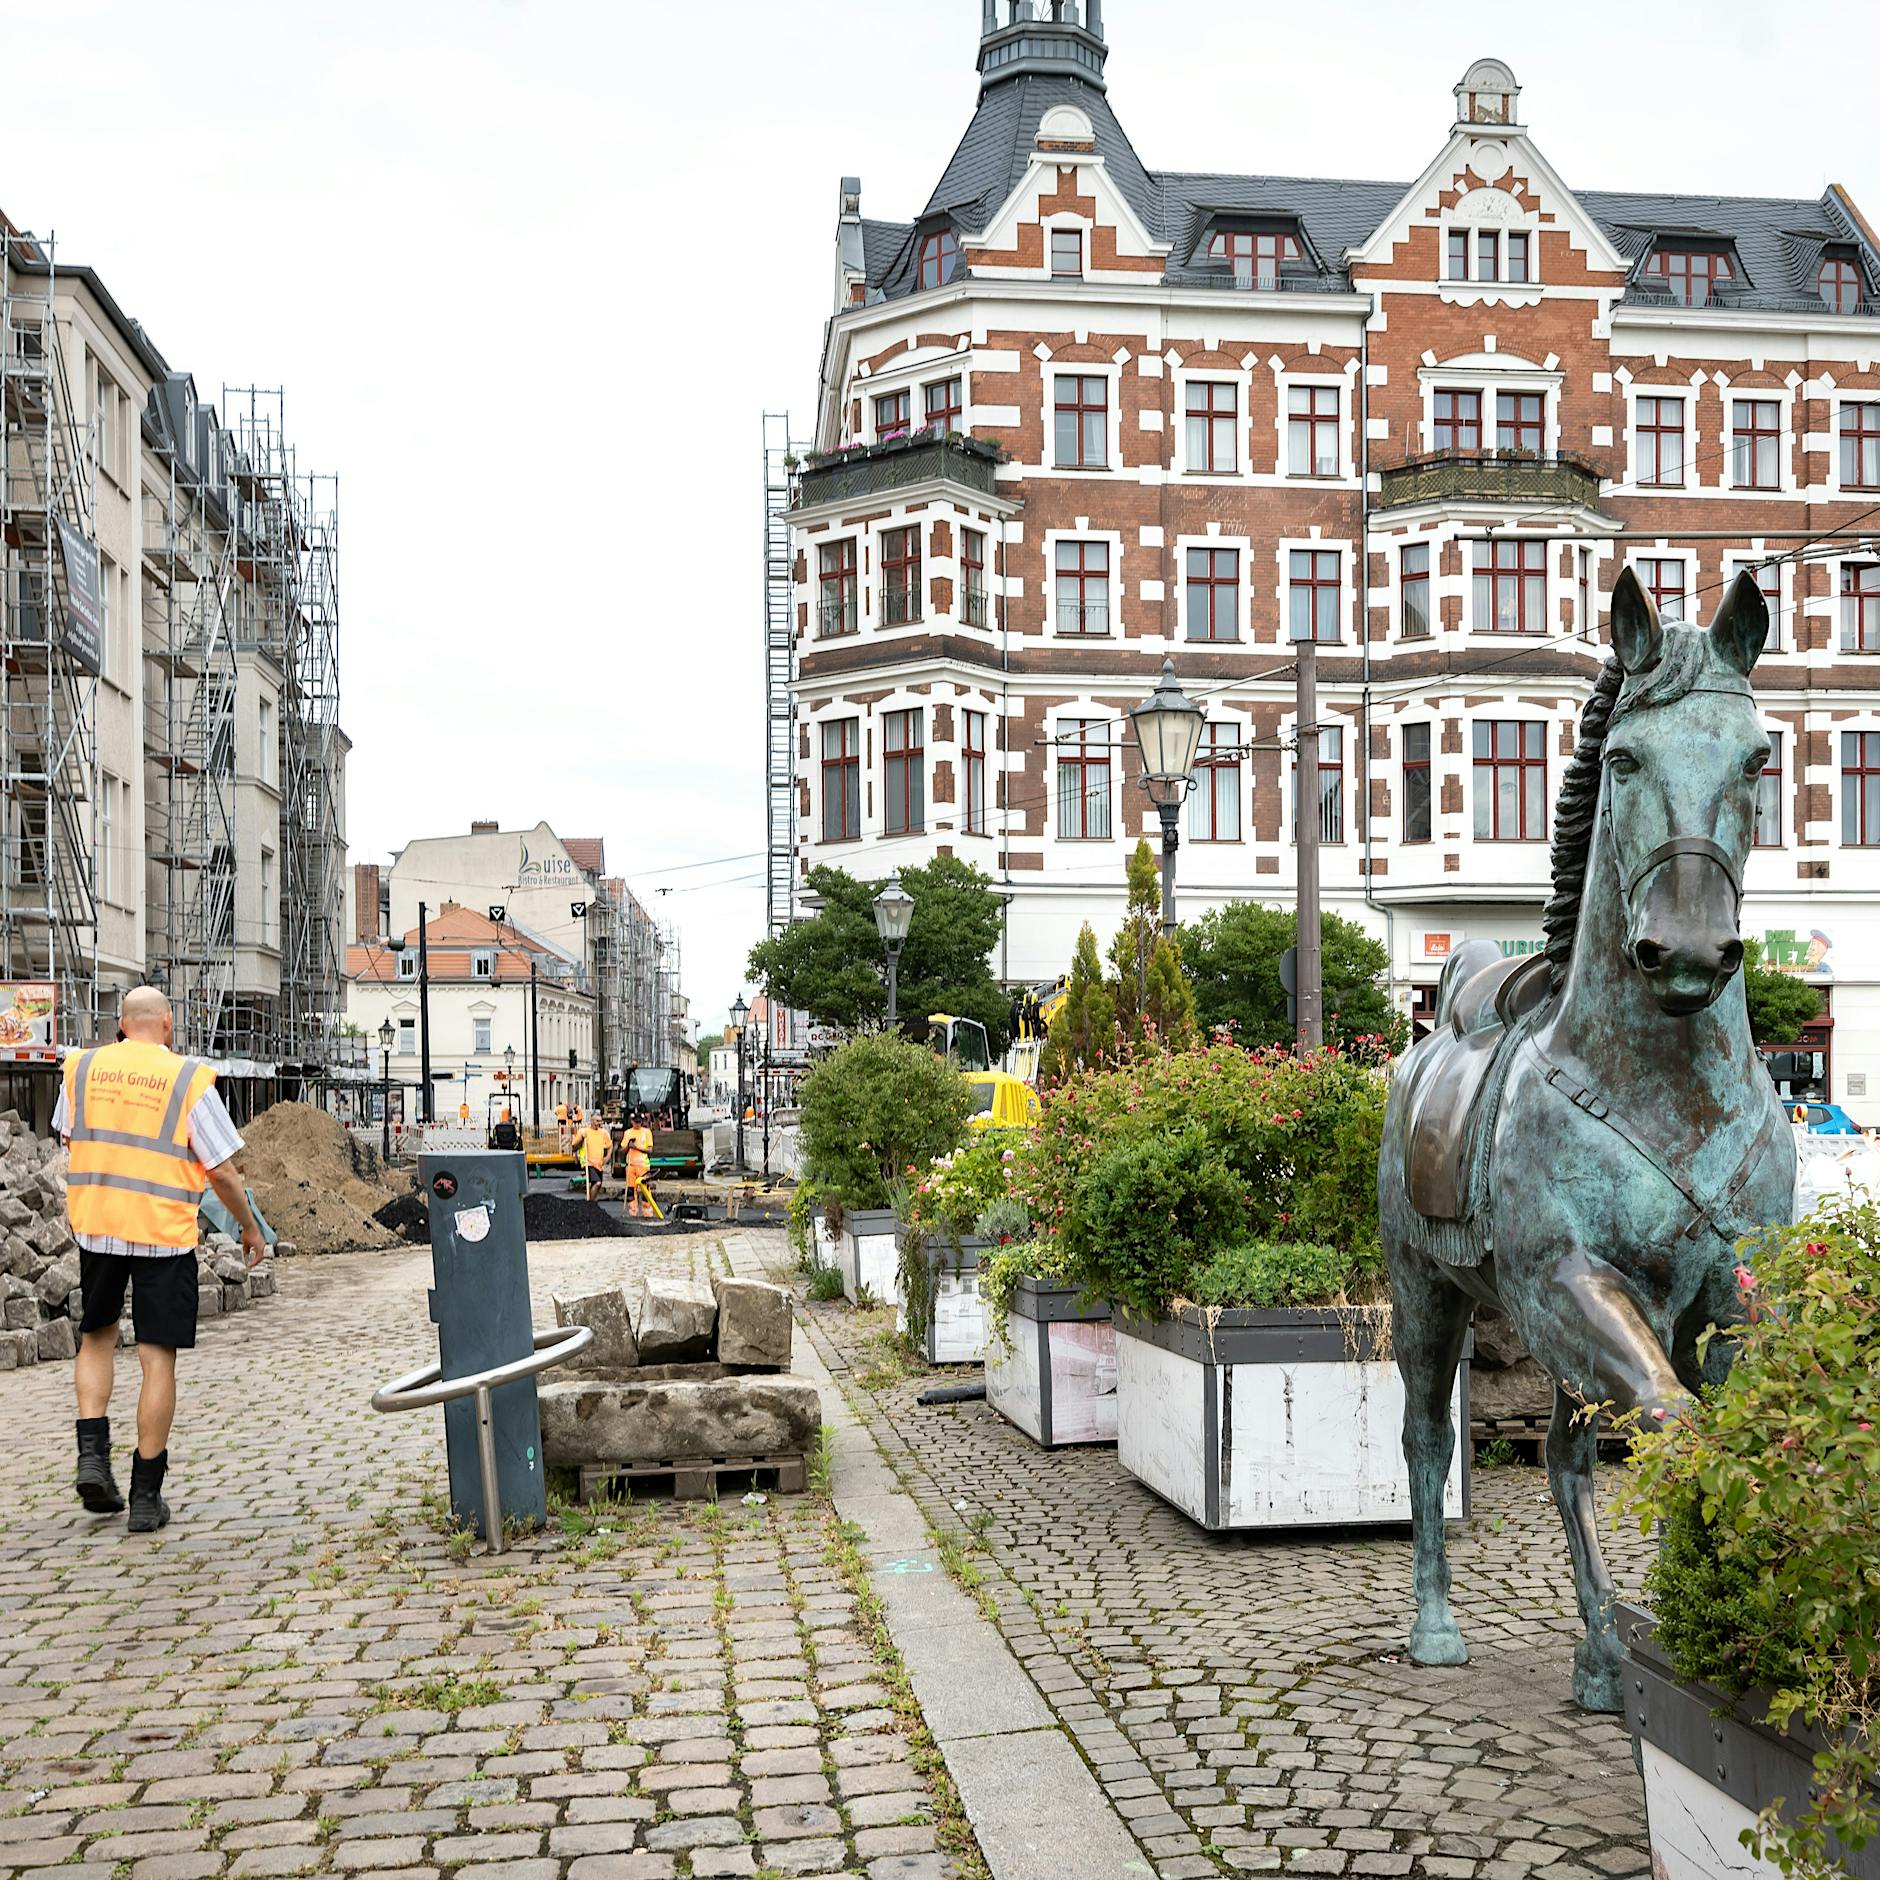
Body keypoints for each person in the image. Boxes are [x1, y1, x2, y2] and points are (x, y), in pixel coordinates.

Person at [55, 987, 266, 1532]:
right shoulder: (186, 1079)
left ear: (122, 1024)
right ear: (167, 1024)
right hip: (163, 1235)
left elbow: (70, 1140)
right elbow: (220, 1170)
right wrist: (247, 1226)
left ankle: (92, 1457)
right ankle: (146, 1496)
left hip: (99, 1225)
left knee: (97, 1336)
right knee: (157, 1356)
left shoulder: (81, 1068)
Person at [623, 1109, 654, 1218]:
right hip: (631, 1165)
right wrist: (628, 1146)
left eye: (639, 1122)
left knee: (645, 1190)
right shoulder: (627, 1133)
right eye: (636, 1122)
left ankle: (647, 1212)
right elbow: (623, 1149)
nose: (638, 1124)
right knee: (631, 1190)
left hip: (643, 1166)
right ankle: (633, 1212)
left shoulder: (647, 1132)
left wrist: (636, 1147)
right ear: (632, 1121)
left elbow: (649, 1150)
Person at [579, 1113, 611, 1203]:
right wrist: (581, 1139)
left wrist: (608, 1156)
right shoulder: (585, 1132)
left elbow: (610, 1145)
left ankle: (591, 1201)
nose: (599, 1123)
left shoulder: (603, 1133)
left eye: (600, 1121)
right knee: (597, 1183)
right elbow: (575, 1145)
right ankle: (591, 1203)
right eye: (597, 1121)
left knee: (597, 1184)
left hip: (599, 1164)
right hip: (588, 1162)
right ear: (592, 1121)